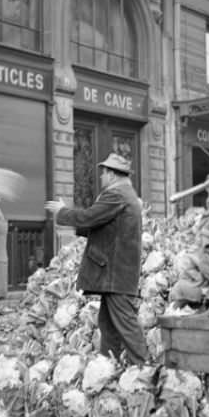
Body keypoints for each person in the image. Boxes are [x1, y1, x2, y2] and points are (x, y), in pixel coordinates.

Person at [45, 153, 147, 365]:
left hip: (115, 273)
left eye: (103, 173)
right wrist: (74, 220)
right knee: (108, 323)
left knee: (125, 322)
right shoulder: (125, 194)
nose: (101, 177)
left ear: (111, 174)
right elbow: (100, 227)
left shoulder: (116, 195)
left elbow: (90, 216)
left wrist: (62, 212)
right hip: (118, 273)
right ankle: (109, 363)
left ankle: (145, 367)